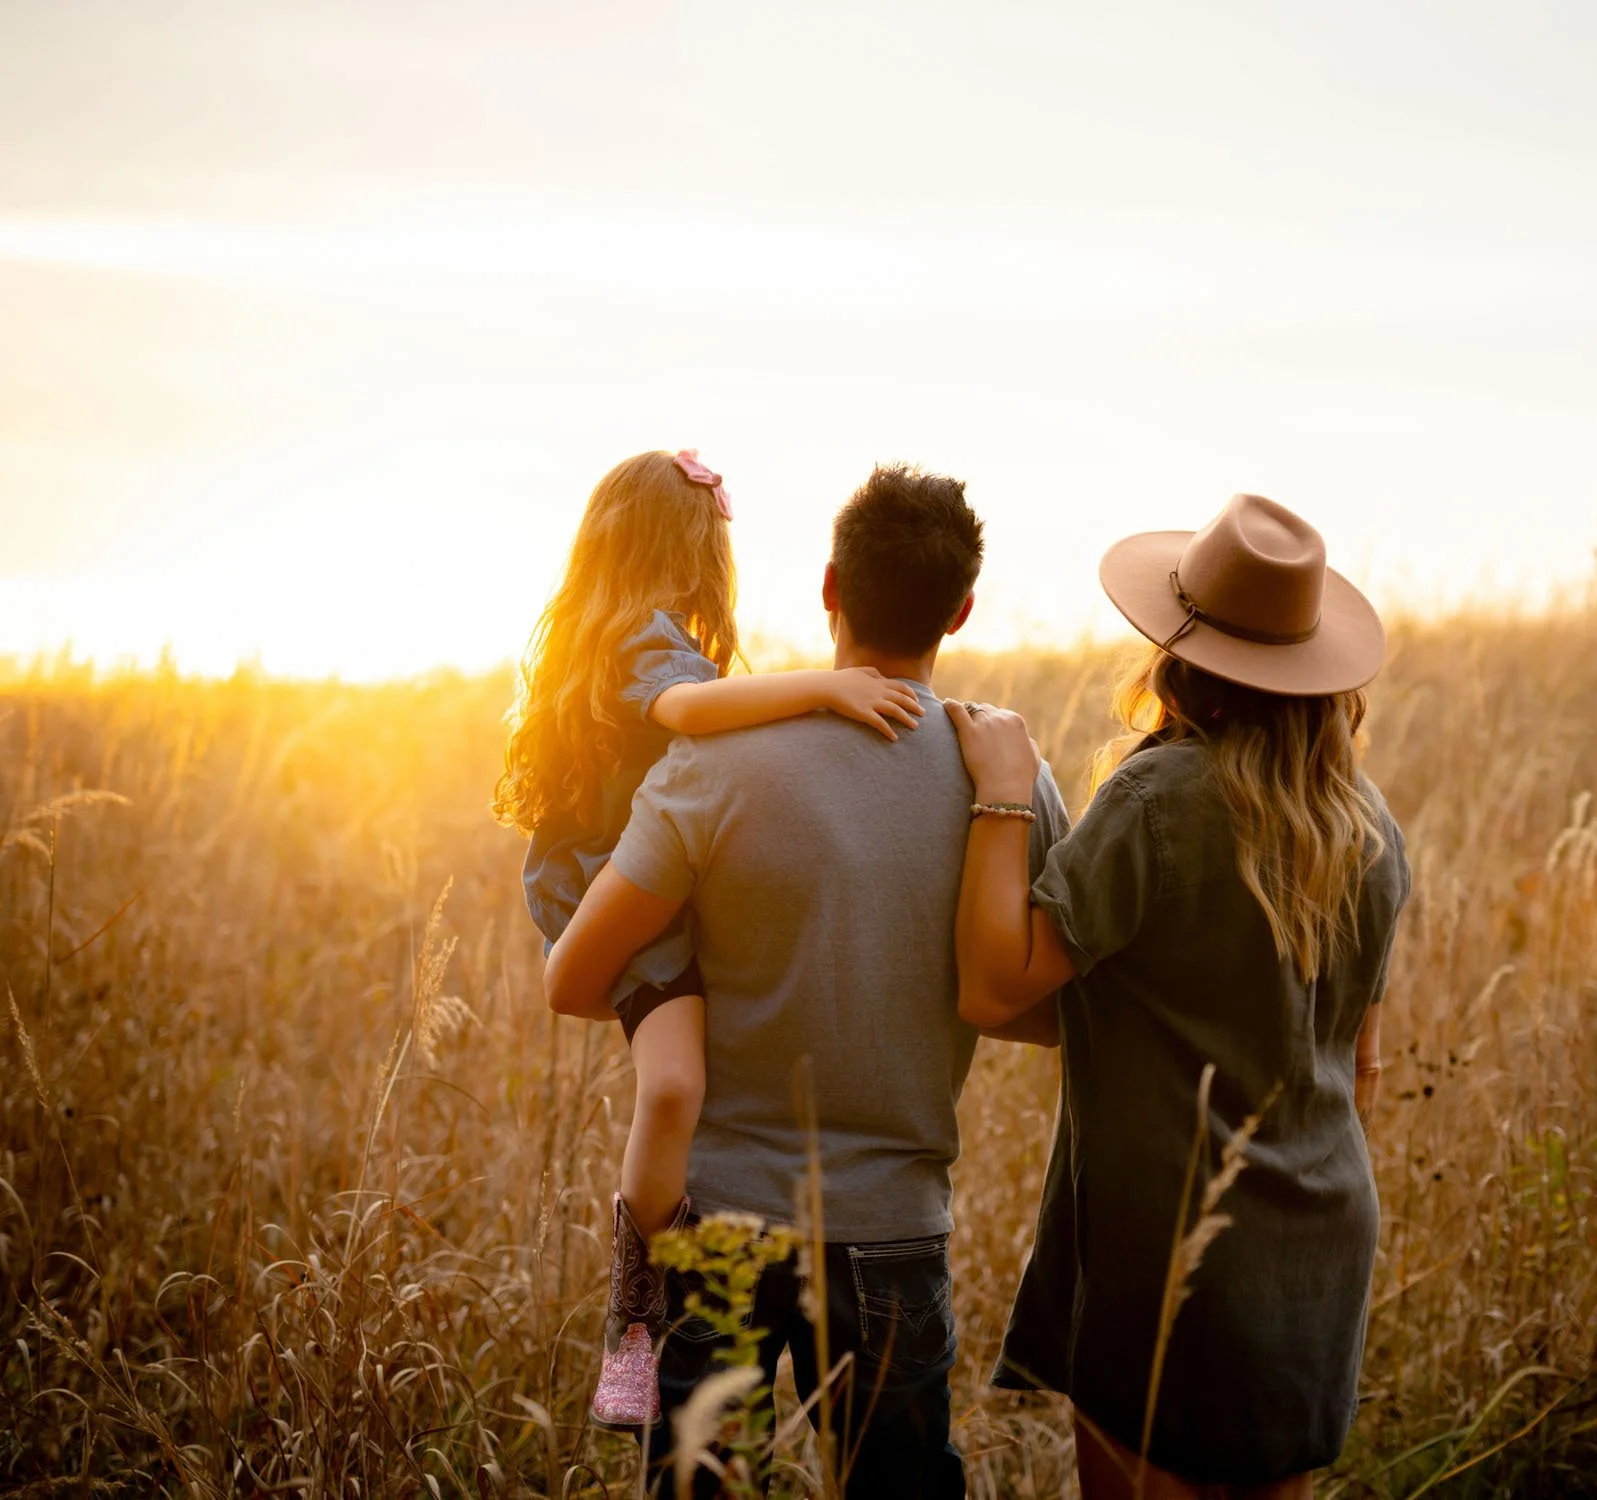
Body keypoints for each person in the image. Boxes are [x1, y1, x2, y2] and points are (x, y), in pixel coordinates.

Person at [543, 463, 1070, 1498]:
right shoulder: (1008, 778)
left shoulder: (712, 764)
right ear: (961, 610)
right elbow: (1045, 1004)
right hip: (894, 1232)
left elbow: (574, 979)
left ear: (828, 586)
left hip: (720, 1226)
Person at [947, 492, 1411, 1500]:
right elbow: (1357, 1066)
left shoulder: (1159, 800)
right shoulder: (1368, 826)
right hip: (1319, 1247)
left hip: (1168, 1251)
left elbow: (990, 989)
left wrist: (1000, 788)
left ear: (1177, 653)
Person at [493, 448, 928, 1429]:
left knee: (686, 1076)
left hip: (638, 888)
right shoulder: (646, 640)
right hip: (617, 891)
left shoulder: (626, 630)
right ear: (682, 545)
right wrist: (824, 687)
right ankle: (635, 1319)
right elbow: (690, 711)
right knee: (674, 1084)